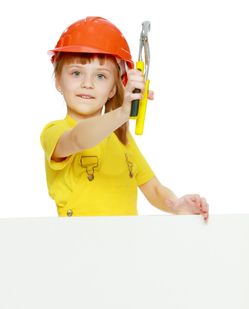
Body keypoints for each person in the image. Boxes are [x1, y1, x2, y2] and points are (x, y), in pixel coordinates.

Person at [40, 16, 209, 222]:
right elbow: (78, 138)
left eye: (100, 76)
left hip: (125, 247)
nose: (87, 83)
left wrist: (175, 205)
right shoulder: (54, 132)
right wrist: (121, 113)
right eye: (76, 73)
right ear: (58, 81)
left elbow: (153, 188)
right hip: (80, 247)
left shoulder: (122, 139)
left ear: (113, 88)